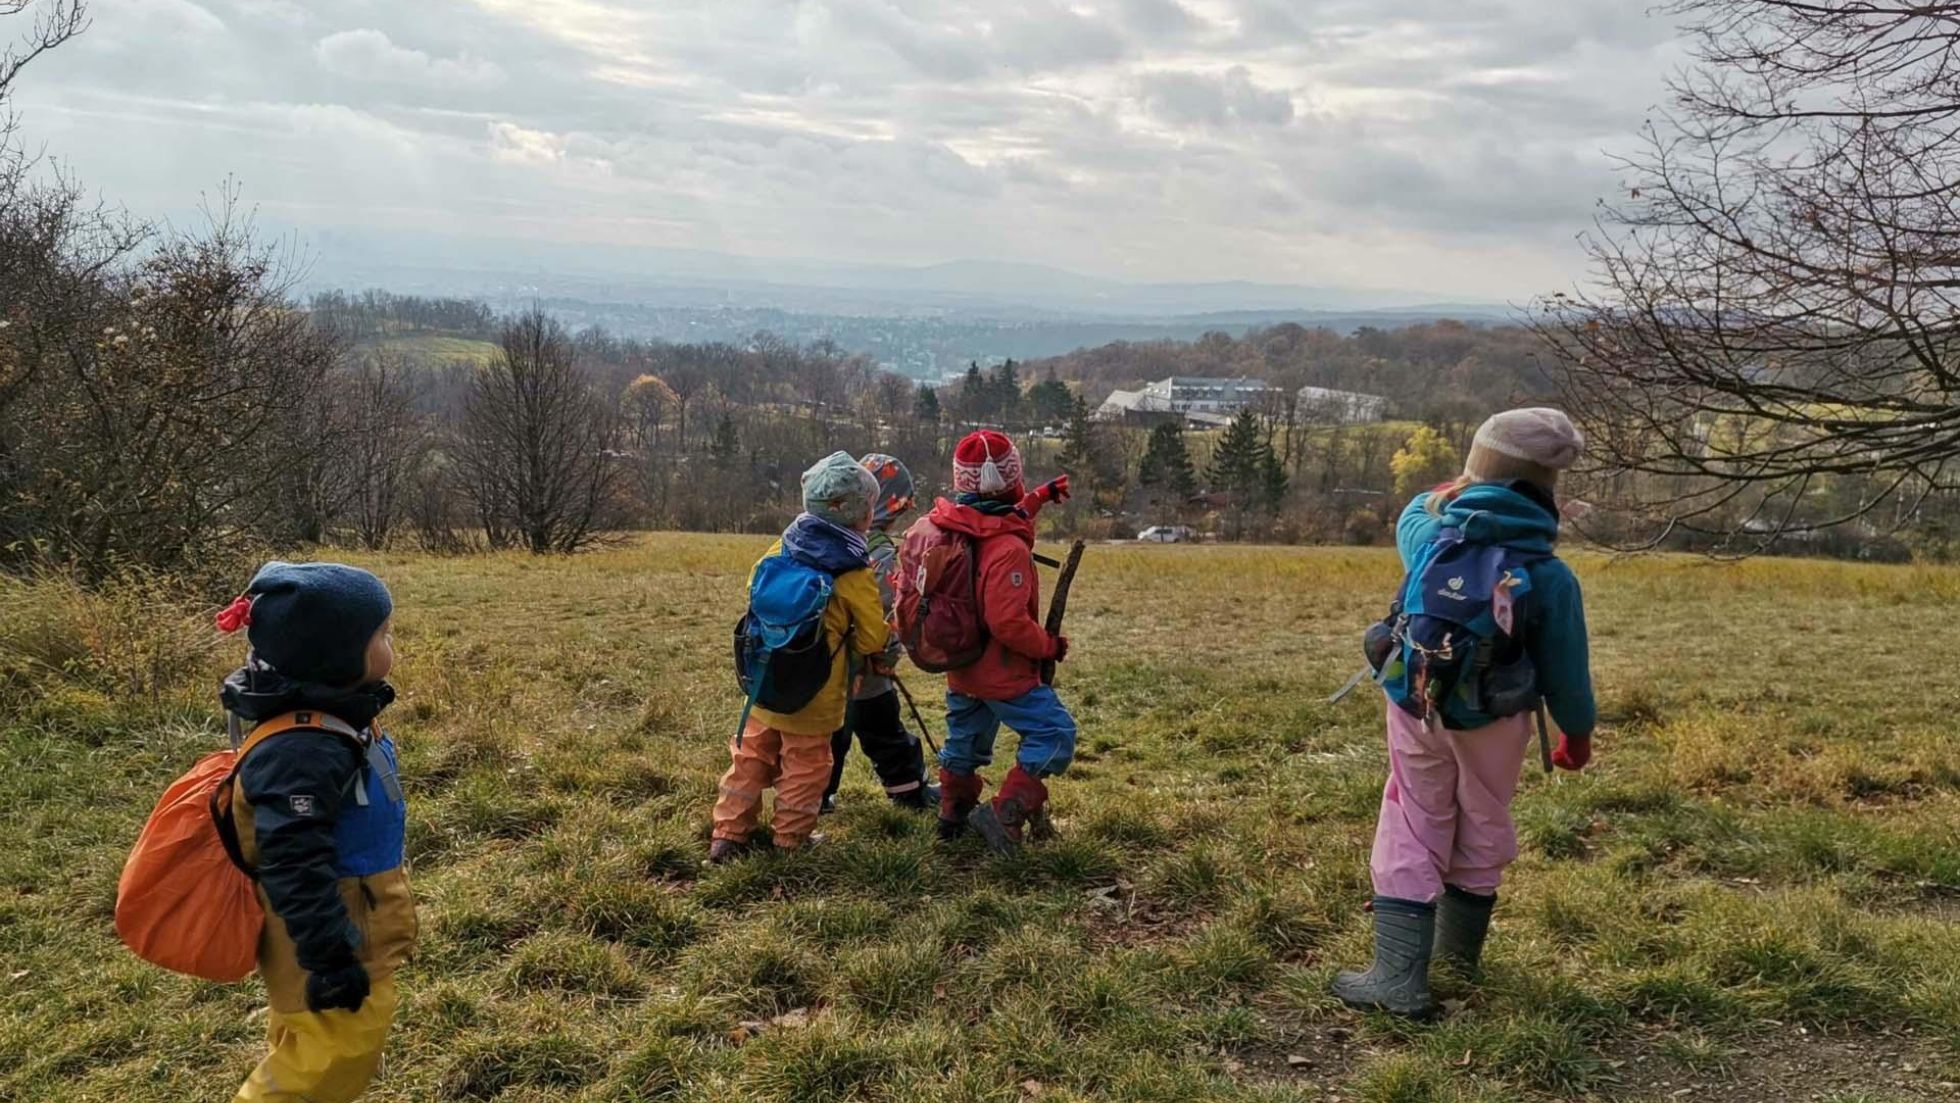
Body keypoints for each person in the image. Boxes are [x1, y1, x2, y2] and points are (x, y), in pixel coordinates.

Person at [1333, 407, 1598, 1017]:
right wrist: (1577, 734)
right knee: (1482, 815)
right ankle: (1457, 960)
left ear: (1471, 475)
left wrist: (1457, 486)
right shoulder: (1550, 576)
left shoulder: (1429, 540)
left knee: (1414, 816)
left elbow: (1412, 510)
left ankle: (1397, 978)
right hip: (1498, 721)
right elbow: (1567, 671)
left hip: (1418, 705)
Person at [216, 562, 415, 1103]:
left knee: (306, 1044)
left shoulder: (332, 718)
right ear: (336, 657)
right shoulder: (302, 751)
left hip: (341, 929)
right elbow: (293, 860)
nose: (392, 645)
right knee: (332, 1057)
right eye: (383, 635)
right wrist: (329, 959)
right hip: (328, 941)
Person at [710, 452, 891, 861]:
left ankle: (728, 835)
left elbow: (754, 592)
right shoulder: (853, 570)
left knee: (748, 758)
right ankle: (790, 841)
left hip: (764, 679)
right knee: (805, 767)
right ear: (858, 514)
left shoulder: (782, 546)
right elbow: (870, 638)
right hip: (816, 691)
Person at [923, 429, 1074, 855]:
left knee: (965, 742)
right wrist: (1048, 646)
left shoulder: (953, 527)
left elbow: (1001, 514)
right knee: (1055, 734)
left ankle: (952, 813)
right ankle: (1006, 811)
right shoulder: (1007, 548)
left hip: (961, 665)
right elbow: (1007, 623)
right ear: (1012, 480)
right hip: (1002, 672)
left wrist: (1040, 498)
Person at [820, 453, 939, 815]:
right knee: (884, 730)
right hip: (865, 663)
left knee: (827, 734)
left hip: (821, 659)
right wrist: (887, 653)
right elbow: (886, 609)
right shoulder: (879, 550)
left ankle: (814, 795)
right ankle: (909, 791)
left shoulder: (824, 534)